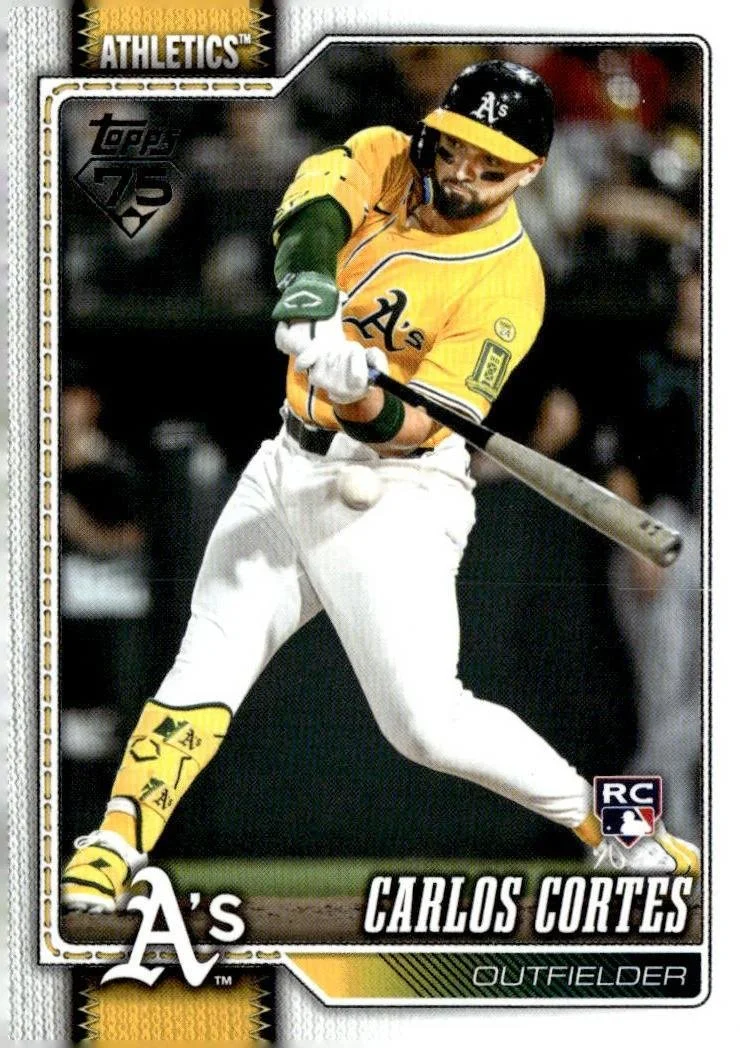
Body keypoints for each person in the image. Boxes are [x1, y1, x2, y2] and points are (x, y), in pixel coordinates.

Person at [62, 61, 699, 913]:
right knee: (206, 663)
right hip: (286, 465)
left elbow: (413, 427)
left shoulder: (509, 283)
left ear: (528, 173)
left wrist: (358, 391)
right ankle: (115, 843)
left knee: (428, 724)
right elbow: (314, 208)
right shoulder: (387, 155)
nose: (463, 172)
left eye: (490, 163)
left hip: (397, 492)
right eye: (457, 146)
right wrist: (309, 291)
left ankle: (623, 834)